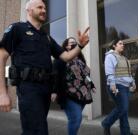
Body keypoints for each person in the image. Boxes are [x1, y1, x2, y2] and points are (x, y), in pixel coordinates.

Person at [0, 0, 90, 135]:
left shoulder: (46, 37)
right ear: (29, 10)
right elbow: (1, 57)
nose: (44, 10)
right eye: (39, 7)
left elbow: (66, 56)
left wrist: (80, 46)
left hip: (45, 89)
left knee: (34, 128)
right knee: (39, 130)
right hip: (28, 88)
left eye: (45, 8)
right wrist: (3, 93)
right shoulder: (17, 28)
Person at [51, 37, 96, 135]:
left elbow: (85, 74)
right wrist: (54, 91)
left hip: (83, 94)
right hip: (68, 94)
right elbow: (55, 75)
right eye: (72, 43)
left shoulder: (80, 60)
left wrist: (92, 85)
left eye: (76, 43)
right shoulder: (61, 58)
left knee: (75, 119)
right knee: (76, 118)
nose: (75, 44)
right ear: (66, 46)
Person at [101, 38, 135, 135]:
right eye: (120, 43)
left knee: (123, 110)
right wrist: (112, 84)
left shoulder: (125, 59)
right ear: (114, 46)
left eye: (123, 44)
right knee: (123, 108)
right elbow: (109, 72)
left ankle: (125, 132)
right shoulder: (110, 56)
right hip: (116, 86)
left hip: (126, 86)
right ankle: (106, 123)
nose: (123, 45)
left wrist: (133, 82)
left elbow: (129, 73)